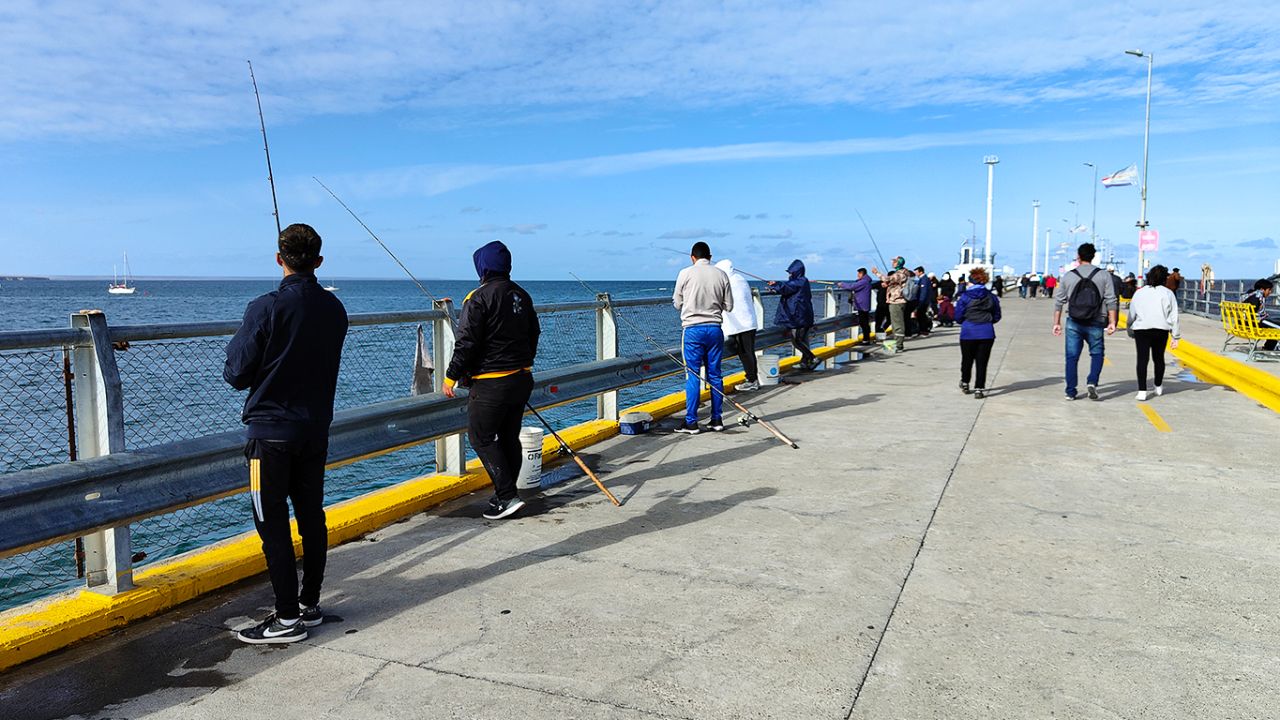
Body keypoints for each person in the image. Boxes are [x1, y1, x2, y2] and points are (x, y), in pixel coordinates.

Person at [224, 223, 348, 644]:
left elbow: (237, 373)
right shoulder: (335, 310)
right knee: (311, 515)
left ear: (279, 259)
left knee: (271, 522)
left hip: (269, 434)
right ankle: (310, 604)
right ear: (318, 261)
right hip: (315, 430)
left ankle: (285, 618)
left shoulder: (265, 307)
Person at [444, 240, 541, 520]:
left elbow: (466, 343)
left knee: (481, 437)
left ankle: (507, 495)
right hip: (521, 378)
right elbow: (534, 332)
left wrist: (451, 377)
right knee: (509, 437)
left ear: (482, 266)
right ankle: (506, 495)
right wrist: (524, 362)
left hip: (490, 382)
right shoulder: (522, 295)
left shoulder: (477, 297)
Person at [672, 242, 733, 434]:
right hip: (715, 329)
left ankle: (691, 422)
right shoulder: (721, 274)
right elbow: (729, 306)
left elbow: (676, 303)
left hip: (692, 330)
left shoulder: (685, 273)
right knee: (715, 375)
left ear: (692, 257)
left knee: (693, 375)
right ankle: (717, 419)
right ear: (710, 256)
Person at [1052, 242, 1118, 401]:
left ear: (1078, 256)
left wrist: (1057, 323)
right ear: (1094, 256)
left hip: (1074, 321)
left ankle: (1070, 391)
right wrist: (1112, 322)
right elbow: (1111, 300)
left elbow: (1059, 301)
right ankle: (1092, 381)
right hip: (1096, 320)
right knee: (1097, 354)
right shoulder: (1103, 275)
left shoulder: (1069, 276)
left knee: (1072, 357)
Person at [1127, 265, 1180, 401]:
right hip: (1161, 329)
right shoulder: (1168, 293)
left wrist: (1129, 327)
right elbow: (1174, 316)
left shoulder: (1140, 292)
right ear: (1165, 278)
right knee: (1159, 358)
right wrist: (1176, 335)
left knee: (1142, 359)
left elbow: (1132, 313)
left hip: (1142, 329)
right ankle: (1158, 385)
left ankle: (1142, 390)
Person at [955, 266, 1001, 399]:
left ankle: (965, 382)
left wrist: (964, 321)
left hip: (968, 332)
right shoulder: (991, 296)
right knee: (982, 361)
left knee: (967, 359)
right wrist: (988, 321)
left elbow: (958, 315)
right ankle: (979, 388)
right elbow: (997, 315)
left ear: (971, 282)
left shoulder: (964, 297)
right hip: (986, 332)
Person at [715, 258, 761, 391]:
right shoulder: (740, 279)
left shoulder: (727, 282)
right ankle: (752, 379)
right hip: (749, 322)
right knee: (748, 352)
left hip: (741, 324)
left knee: (745, 353)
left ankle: (752, 380)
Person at [768, 259, 817, 369]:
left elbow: (787, 287)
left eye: (791, 272)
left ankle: (813, 358)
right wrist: (775, 285)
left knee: (797, 340)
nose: (789, 274)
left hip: (799, 315)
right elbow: (788, 286)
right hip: (803, 314)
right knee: (802, 339)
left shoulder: (800, 281)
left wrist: (775, 285)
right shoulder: (803, 281)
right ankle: (805, 362)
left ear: (796, 272)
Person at [873, 257, 912, 352]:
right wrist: (888, 285)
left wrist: (876, 273)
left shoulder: (900, 274)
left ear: (898, 263)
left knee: (897, 324)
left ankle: (898, 346)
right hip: (898, 300)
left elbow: (887, 278)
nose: (892, 263)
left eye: (894, 261)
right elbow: (895, 283)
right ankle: (897, 344)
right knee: (896, 323)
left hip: (897, 301)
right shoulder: (904, 273)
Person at [838, 267, 874, 343]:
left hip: (862, 305)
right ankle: (866, 338)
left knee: (863, 322)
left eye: (858, 274)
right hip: (864, 304)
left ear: (862, 273)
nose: (857, 275)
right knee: (864, 322)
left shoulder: (864, 282)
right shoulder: (866, 281)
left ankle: (866, 339)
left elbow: (852, 287)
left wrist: (842, 284)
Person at [1242, 278, 1278, 351]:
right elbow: (1254, 314)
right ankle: (1268, 348)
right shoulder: (1257, 297)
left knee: (1274, 321)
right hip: (1253, 324)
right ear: (1262, 289)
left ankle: (1268, 347)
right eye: (1269, 290)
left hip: (1243, 323)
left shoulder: (1249, 295)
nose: (1270, 292)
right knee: (1276, 326)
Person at [912, 265, 934, 337]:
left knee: (921, 316)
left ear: (921, 272)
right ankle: (922, 330)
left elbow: (923, 292)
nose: (916, 274)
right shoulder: (923, 279)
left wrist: (921, 302)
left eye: (916, 272)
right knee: (920, 316)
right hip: (924, 301)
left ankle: (923, 331)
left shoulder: (924, 280)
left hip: (923, 302)